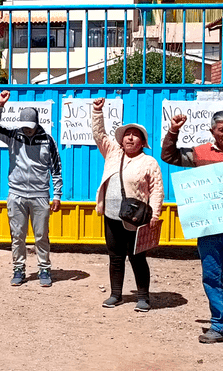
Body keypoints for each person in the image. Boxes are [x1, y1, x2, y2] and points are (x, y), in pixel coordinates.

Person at [161, 110, 223, 344]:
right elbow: (168, 156)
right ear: (212, 132)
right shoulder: (200, 152)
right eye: (221, 129)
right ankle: (221, 325)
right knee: (212, 276)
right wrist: (174, 130)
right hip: (209, 226)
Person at [91, 98, 164, 312]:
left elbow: (157, 190)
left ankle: (143, 297)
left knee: (137, 257)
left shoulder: (149, 162)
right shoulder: (113, 153)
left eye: (135, 135)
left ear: (142, 142)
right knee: (115, 256)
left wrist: (155, 215)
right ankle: (116, 294)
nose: (130, 138)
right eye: (127, 135)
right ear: (121, 140)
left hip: (135, 218)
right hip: (111, 215)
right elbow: (99, 134)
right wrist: (97, 111)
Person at [0, 90, 63, 287]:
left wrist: (57, 195)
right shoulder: (13, 135)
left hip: (40, 195)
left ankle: (44, 269)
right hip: (16, 194)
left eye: (31, 127)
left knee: (41, 236)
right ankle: (18, 268)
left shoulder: (48, 140)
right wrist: (0, 106)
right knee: (17, 235)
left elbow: (56, 169)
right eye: (25, 127)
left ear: (37, 124)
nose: (28, 130)